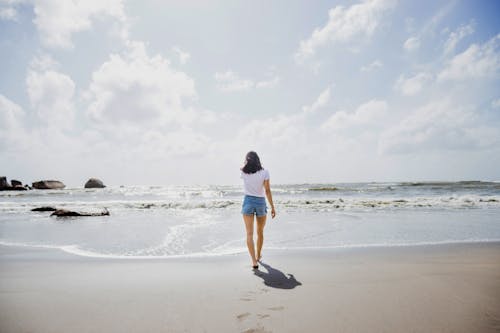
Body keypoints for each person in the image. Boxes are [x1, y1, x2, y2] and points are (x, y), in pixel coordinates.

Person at [240, 151, 276, 270]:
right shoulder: (265, 172)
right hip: (260, 202)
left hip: (248, 202)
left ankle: (254, 261)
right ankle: (258, 255)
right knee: (260, 232)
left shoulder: (243, 172)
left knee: (249, 234)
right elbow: (267, 191)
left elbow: (245, 170)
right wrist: (272, 207)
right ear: (258, 160)